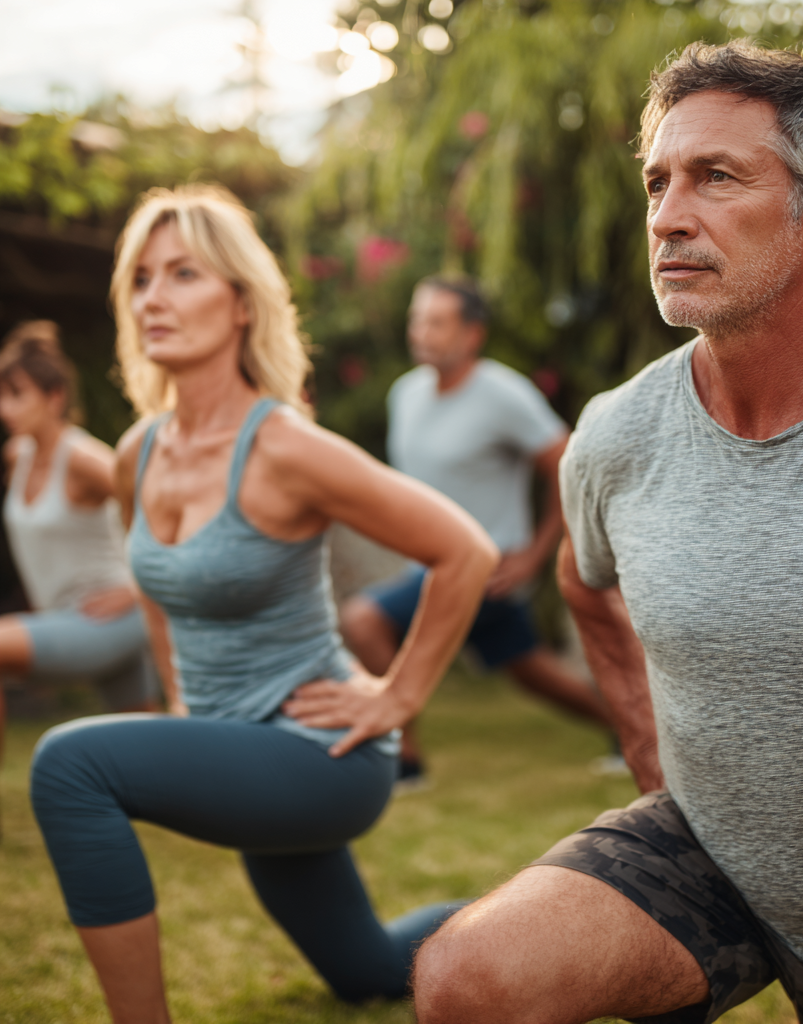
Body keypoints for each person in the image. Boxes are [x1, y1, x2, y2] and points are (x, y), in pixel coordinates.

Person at [413, 41, 803, 1024]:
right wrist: (647, 744)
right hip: (710, 855)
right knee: (466, 979)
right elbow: (583, 582)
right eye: (657, 181)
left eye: (715, 177)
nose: (665, 215)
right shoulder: (614, 436)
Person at [29, 184, 498, 1024]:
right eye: (140, 279)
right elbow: (156, 590)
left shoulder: (284, 447)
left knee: (70, 766)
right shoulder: (138, 453)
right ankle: (526, 917)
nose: (153, 299)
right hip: (236, 747)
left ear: (241, 304)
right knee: (370, 968)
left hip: (319, 752)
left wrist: (398, 695)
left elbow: (463, 550)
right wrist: (181, 705)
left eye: (182, 275)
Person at [340, 275, 611, 787]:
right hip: (432, 567)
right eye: (417, 320)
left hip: (485, 569)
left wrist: (534, 555)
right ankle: (630, 726)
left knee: (363, 621)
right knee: (532, 671)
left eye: (437, 323)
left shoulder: (503, 395)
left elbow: (567, 463)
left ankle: (404, 761)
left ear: (472, 335)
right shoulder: (406, 394)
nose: (422, 333)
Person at [0, 321, 158, 762]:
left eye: (17, 394)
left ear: (54, 398)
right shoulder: (18, 454)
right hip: (71, 621)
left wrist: (136, 588)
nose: (4, 408)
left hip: (110, 619)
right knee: (151, 744)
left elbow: (162, 509)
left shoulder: (84, 459)